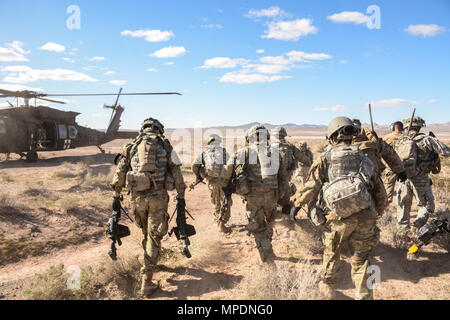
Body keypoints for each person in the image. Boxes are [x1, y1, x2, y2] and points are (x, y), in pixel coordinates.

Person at [291, 117, 384, 300]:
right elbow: (378, 188)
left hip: (337, 218)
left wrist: (296, 203)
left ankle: (327, 292)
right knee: (361, 259)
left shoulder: (325, 157)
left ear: (332, 136)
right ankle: (364, 295)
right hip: (366, 215)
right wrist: (379, 209)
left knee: (332, 254)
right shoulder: (364, 158)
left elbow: (312, 186)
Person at [110, 117, 186, 297]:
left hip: (138, 199)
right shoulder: (165, 145)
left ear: (143, 129)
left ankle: (151, 262)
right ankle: (147, 282)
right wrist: (181, 195)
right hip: (158, 198)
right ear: (159, 130)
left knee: (147, 233)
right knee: (154, 236)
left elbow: (120, 172)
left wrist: (116, 194)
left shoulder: (131, 146)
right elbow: (177, 171)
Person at [224, 125, 284, 264]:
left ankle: (268, 260)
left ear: (249, 138)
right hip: (271, 197)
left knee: (258, 228)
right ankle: (268, 247)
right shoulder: (275, 153)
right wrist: (284, 200)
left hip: (253, 199)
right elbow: (283, 179)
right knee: (269, 223)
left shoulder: (241, 153)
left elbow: (225, 174)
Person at [396, 116, 450, 234]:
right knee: (426, 205)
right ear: (420, 127)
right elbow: (446, 152)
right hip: (421, 178)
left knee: (403, 205)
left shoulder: (401, 141)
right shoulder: (427, 139)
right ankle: (417, 226)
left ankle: (402, 234)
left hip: (404, 178)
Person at [352, 119, 407, 212]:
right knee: (378, 207)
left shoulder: (340, 142)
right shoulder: (374, 142)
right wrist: (400, 170)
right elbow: (390, 154)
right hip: (371, 182)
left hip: (349, 185)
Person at [192, 134, 232, 233]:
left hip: (211, 182)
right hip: (223, 182)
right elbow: (231, 165)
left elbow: (194, 165)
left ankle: (218, 221)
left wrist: (199, 176)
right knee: (226, 201)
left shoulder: (204, 153)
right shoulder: (223, 152)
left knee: (216, 201)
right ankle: (222, 224)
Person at [270, 127, 313, 214]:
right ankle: (285, 211)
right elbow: (303, 158)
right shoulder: (290, 147)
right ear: (284, 135)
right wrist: (311, 165)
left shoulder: (269, 147)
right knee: (290, 191)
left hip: (272, 180)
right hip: (286, 179)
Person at [383, 121, 405, 203]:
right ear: (402, 128)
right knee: (405, 190)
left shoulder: (387, 137)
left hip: (390, 166)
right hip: (405, 167)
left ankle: (384, 211)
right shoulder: (407, 137)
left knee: (388, 190)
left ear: (393, 128)